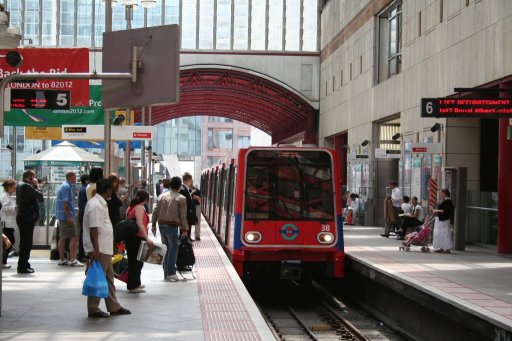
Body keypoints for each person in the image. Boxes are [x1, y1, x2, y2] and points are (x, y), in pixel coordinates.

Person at [83, 178, 131, 318]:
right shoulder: (96, 205)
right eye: (112, 189)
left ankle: (113, 306)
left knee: (109, 277)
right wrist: (96, 250)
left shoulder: (100, 203)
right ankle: (93, 308)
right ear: (108, 190)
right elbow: (94, 228)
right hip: (100, 249)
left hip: (104, 247)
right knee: (98, 278)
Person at [151, 176, 189, 282]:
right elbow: (183, 216)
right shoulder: (181, 198)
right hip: (172, 226)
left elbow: (155, 211)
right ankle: (171, 273)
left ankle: (166, 272)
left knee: (166, 248)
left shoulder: (161, 196)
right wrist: (185, 229)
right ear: (179, 186)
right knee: (173, 249)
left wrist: (153, 224)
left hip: (161, 225)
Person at [125, 190, 154, 293]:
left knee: (134, 261)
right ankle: (133, 286)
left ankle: (136, 283)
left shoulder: (130, 208)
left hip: (130, 238)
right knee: (136, 262)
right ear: (145, 200)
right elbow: (140, 224)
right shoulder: (140, 208)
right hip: (137, 238)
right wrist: (147, 238)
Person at [16, 169, 43, 274]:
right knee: (26, 243)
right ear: (30, 177)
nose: (35, 179)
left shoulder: (21, 185)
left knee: (25, 243)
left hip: (24, 217)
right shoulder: (26, 186)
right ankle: (22, 266)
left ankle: (25, 264)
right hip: (26, 218)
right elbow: (40, 196)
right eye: (34, 177)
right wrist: (37, 186)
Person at [56, 171, 83, 267]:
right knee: (74, 237)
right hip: (66, 216)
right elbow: (65, 203)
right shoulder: (67, 187)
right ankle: (72, 259)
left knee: (63, 237)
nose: (76, 179)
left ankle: (62, 259)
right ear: (71, 177)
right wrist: (69, 216)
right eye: (75, 177)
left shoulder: (63, 186)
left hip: (61, 216)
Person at [1, 179, 17, 269]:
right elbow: (5, 208)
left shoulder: (10, 197)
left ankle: (4, 260)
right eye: (14, 187)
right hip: (6, 223)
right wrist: (14, 207)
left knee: (8, 242)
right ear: (9, 187)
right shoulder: (5, 197)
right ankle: (3, 260)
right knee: (8, 242)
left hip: (10, 223)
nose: (15, 188)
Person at [432, 188, 454, 253]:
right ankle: (441, 247)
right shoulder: (444, 201)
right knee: (440, 232)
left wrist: (436, 210)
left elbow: (446, 211)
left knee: (445, 232)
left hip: (444, 220)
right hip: (440, 219)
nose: (441, 194)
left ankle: (447, 248)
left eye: (442, 193)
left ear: (445, 193)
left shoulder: (448, 201)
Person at [180, 172, 198, 241]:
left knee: (187, 232)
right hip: (186, 216)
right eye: (191, 180)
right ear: (189, 180)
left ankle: (188, 239)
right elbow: (185, 205)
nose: (191, 182)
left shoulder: (184, 188)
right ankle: (186, 242)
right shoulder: (183, 190)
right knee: (185, 234)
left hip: (187, 216)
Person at [77, 174, 89, 262]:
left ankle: (82, 253)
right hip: (84, 213)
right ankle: (82, 254)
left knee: (82, 233)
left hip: (81, 212)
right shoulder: (85, 189)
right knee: (83, 234)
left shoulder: (82, 188)